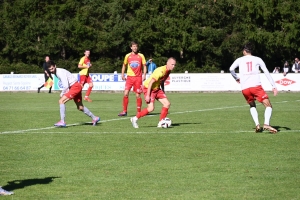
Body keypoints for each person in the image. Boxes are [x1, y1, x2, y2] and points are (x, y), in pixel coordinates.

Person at [229, 43, 278, 133]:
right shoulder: (257, 59)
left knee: (252, 105)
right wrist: (273, 86)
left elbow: (231, 69)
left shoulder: (239, 60)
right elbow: (266, 72)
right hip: (256, 86)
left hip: (245, 88)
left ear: (244, 51)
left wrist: (236, 78)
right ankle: (266, 123)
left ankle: (257, 124)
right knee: (268, 106)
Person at [47, 61, 100, 127]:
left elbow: (66, 85)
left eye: (52, 68)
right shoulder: (56, 72)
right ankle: (95, 118)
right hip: (76, 86)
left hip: (75, 87)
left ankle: (62, 121)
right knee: (80, 107)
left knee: (61, 101)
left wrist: (62, 93)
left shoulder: (59, 72)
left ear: (55, 66)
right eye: (50, 70)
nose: (51, 70)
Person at [130, 57, 176, 128]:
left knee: (167, 104)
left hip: (157, 88)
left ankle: (161, 122)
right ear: (167, 63)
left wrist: (162, 90)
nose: (173, 66)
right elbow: (151, 82)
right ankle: (134, 119)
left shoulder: (168, 71)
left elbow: (162, 81)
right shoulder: (160, 71)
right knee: (151, 108)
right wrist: (148, 95)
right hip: (149, 88)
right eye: (172, 64)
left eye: (174, 65)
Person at [118, 41, 147, 116]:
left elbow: (144, 66)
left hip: (138, 78)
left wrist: (144, 74)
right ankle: (124, 111)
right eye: (133, 46)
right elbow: (124, 65)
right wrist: (122, 74)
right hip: (129, 78)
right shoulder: (127, 56)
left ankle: (138, 112)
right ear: (131, 47)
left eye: (136, 46)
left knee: (137, 95)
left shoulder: (141, 56)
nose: (135, 48)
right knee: (125, 94)